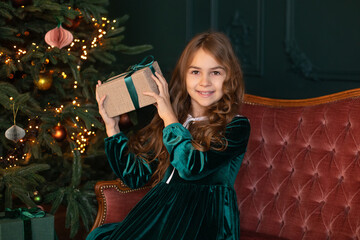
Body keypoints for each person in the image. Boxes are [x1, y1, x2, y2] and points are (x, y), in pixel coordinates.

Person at [87, 31, 250, 240]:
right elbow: (135, 177)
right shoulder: (175, 119)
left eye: (216, 72)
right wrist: (112, 128)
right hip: (160, 211)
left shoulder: (236, 126)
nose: (205, 82)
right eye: (195, 72)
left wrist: (169, 118)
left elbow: (191, 167)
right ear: (184, 76)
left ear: (229, 77)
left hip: (203, 220)